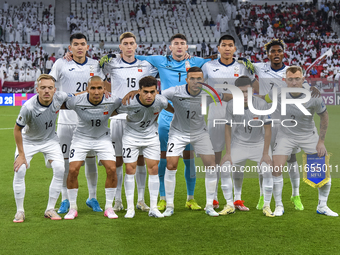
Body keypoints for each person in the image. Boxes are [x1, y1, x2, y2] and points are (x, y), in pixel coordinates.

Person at [133, 34, 211, 211]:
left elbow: (214, 61)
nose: (179, 47)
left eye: (182, 44)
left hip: (189, 119)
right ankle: (163, 197)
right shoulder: (160, 60)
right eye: (176, 44)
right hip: (166, 119)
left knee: (189, 160)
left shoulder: (196, 61)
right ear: (170, 47)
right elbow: (135, 57)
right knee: (164, 159)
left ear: (187, 47)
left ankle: (190, 198)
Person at [251, 39, 320, 211]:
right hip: (267, 119)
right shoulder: (260, 67)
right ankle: (262, 196)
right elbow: (239, 66)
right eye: (272, 51)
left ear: (283, 53)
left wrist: (312, 88)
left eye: (279, 51)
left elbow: (303, 87)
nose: (276, 54)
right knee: (265, 160)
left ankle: (295, 195)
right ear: (267, 54)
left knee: (291, 159)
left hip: (286, 121)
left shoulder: (290, 72)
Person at [264, 66, 338, 217]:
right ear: (285, 80)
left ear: (303, 79)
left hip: (308, 135)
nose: (294, 82)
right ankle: (279, 206)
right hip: (285, 135)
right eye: (290, 79)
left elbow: (324, 116)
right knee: (276, 169)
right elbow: (262, 99)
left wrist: (321, 142)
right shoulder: (277, 93)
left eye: (297, 79)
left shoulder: (313, 95)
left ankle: (322, 206)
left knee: (321, 172)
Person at [100, 32, 158, 212]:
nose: (128, 46)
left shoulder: (146, 65)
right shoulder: (112, 64)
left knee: (140, 159)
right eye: (125, 43)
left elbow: (166, 66)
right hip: (118, 117)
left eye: (131, 43)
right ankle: (118, 200)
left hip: (140, 117)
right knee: (118, 160)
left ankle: (140, 200)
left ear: (136, 46)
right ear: (120, 46)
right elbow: (93, 71)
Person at [49, 33, 105, 214]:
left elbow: (102, 87)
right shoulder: (60, 64)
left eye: (82, 44)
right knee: (66, 162)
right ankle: (65, 199)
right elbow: (50, 84)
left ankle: (92, 197)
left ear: (88, 47)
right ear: (70, 48)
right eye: (76, 44)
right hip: (66, 121)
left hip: (89, 121)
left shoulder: (95, 65)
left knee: (90, 160)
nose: (79, 47)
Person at [160, 67, 223, 217]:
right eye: (192, 78)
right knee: (171, 164)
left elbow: (225, 97)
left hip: (200, 133)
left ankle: (209, 206)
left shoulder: (209, 92)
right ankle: (169, 206)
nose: (196, 81)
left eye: (199, 79)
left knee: (211, 165)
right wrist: (171, 109)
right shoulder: (175, 91)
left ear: (203, 80)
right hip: (178, 133)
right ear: (187, 79)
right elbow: (158, 98)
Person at [201, 35, 255, 210]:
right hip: (215, 116)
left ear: (234, 49)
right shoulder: (208, 66)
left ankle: (237, 199)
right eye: (223, 45)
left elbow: (251, 90)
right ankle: (214, 198)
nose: (226, 48)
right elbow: (200, 87)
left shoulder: (242, 67)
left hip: (238, 116)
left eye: (230, 45)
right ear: (218, 48)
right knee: (214, 158)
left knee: (238, 158)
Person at [114, 76, 174, 218]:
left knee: (153, 168)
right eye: (145, 91)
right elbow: (112, 112)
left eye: (152, 92)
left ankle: (153, 208)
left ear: (156, 91)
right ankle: (130, 208)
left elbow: (169, 108)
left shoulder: (161, 101)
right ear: (139, 91)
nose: (149, 95)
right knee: (130, 169)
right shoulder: (128, 103)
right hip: (131, 138)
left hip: (151, 137)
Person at [13, 74, 69, 223]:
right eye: (43, 87)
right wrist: (21, 155)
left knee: (60, 169)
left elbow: (76, 96)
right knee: (20, 169)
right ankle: (20, 211)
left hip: (50, 140)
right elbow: (17, 130)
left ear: (54, 90)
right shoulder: (28, 107)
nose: (46, 91)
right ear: (37, 89)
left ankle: (50, 209)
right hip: (28, 141)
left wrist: (90, 90)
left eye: (50, 88)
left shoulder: (59, 97)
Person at [63, 76, 121, 220]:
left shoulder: (113, 100)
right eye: (93, 88)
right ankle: (72, 207)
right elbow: (58, 102)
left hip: (102, 138)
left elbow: (129, 104)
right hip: (81, 138)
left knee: (112, 169)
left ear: (104, 89)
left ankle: (109, 207)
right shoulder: (77, 101)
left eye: (99, 88)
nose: (96, 92)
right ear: (87, 89)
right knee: (72, 170)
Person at [219, 76, 274, 217]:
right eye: (241, 92)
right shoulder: (231, 105)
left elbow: (268, 129)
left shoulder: (262, 104)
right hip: (239, 144)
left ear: (252, 90)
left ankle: (267, 205)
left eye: (247, 91)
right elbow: (228, 129)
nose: (244, 95)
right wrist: (228, 153)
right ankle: (230, 204)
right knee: (224, 168)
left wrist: (266, 153)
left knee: (267, 171)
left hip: (259, 144)